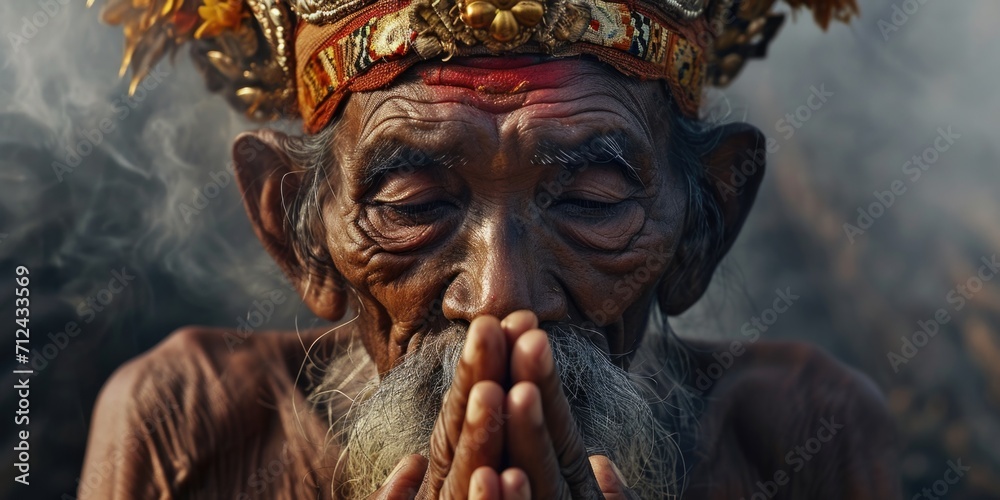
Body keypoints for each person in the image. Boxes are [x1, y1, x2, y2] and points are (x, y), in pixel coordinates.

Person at [80, 0, 900, 497]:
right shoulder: (189, 435)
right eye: (413, 203)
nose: (502, 297)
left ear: (702, 227)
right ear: (299, 231)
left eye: (590, 202)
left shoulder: (802, 439)